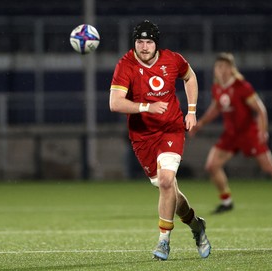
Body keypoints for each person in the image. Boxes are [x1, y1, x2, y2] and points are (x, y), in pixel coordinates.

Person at [109, 20, 211, 261]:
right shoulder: (126, 65)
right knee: (169, 189)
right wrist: (147, 106)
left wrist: (192, 111)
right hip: (142, 136)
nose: (144, 47)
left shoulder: (173, 59)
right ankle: (196, 225)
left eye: (149, 42)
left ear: (156, 44)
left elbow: (190, 77)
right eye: (140, 42)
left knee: (166, 181)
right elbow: (115, 103)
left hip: (171, 129)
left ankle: (163, 241)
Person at [189, 52, 272, 214]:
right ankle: (226, 201)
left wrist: (263, 131)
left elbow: (260, 110)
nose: (221, 70)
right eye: (218, 67)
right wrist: (200, 124)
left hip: (249, 133)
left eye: (225, 67)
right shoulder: (217, 88)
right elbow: (216, 108)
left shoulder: (242, 87)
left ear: (231, 69)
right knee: (212, 165)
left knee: (269, 168)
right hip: (231, 135)